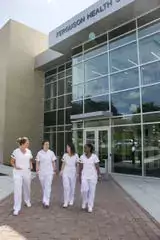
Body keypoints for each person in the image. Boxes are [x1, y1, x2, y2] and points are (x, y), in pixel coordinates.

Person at [10, 137, 33, 216]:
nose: (28, 144)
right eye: (27, 143)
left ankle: (27, 201)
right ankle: (16, 208)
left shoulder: (29, 151)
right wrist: (15, 166)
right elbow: (12, 161)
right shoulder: (15, 151)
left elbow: (30, 159)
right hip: (17, 173)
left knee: (27, 187)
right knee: (17, 189)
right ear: (22, 144)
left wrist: (30, 166)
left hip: (27, 172)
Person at [79, 143, 100, 213]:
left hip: (93, 177)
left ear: (90, 149)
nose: (84, 149)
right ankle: (84, 201)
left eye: (86, 148)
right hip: (84, 176)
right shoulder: (82, 157)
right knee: (84, 190)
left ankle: (90, 206)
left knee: (92, 191)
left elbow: (97, 167)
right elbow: (80, 168)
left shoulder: (94, 157)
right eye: (84, 148)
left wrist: (99, 175)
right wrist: (79, 176)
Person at [36, 140, 57, 208]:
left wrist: (54, 170)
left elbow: (53, 162)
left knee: (48, 186)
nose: (47, 145)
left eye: (48, 144)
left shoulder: (51, 153)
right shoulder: (39, 153)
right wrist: (37, 170)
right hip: (42, 172)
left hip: (49, 172)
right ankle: (44, 199)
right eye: (46, 144)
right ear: (43, 145)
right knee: (43, 186)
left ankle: (46, 201)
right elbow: (37, 162)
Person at [60, 143, 79, 208]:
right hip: (66, 171)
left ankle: (71, 199)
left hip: (73, 172)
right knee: (66, 187)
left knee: (72, 187)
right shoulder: (65, 155)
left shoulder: (76, 155)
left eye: (68, 147)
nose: (67, 148)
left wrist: (77, 173)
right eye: (66, 147)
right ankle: (66, 201)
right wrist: (61, 171)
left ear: (71, 148)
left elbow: (77, 164)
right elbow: (63, 163)